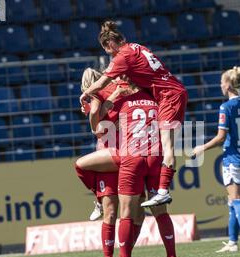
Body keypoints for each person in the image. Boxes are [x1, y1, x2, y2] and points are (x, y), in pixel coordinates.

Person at [76, 68, 178, 257]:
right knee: (122, 212)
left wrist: (102, 104)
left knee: (128, 214)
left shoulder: (120, 94)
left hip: (128, 157)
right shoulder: (112, 94)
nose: (116, 79)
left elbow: (96, 121)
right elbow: (96, 119)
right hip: (127, 155)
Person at [79, 21, 188, 208]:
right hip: (171, 93)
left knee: (168, 146)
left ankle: (163, 191)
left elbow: (102, 82)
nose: (111, 56)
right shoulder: (138, 47)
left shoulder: (123, 56)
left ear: (109, 44)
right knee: (166, 144)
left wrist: (85, 93)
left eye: (108, 52)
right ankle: (161, 190)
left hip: (168, 96)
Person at [192, 67, 240, 252]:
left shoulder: (226, 107)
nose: (220, 85)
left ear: (229, 85)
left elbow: (221, 138)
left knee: (237, 199)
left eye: (222, 82)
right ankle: (232, 242)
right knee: (232, 200)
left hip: (233, 158)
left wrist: (201, 148)